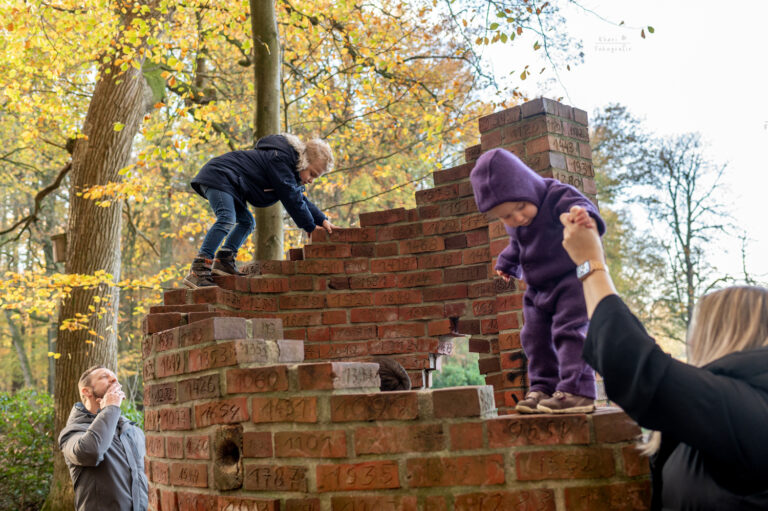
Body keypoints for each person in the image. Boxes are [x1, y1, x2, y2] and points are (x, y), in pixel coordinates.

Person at [560, 205, 768, 510]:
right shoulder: (734, 407)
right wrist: (588, 264)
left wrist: (592, 264)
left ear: (716, 332)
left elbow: (635, 365)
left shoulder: (751, 410)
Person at [470, 148, 606, 413]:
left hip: (571, 281)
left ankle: (577, 390)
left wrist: (583, 218)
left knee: (569, 331)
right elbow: (519, 244)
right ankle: (542, 388)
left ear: (528, 186)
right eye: (507, 216)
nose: (518, 218)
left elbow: (584, 209)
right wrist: (508, 263)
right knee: (533, 337)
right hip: (537, 289)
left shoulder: (556, 195)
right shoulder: (517, 222)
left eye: (520, 207)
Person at [185, 133, 338, 288]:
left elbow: (299, 198)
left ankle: (224, 261)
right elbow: (293, 199)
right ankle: (198, 269)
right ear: (304, 162)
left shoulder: (287, 173)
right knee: (227, 218)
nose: (311, 180)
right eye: (312, 173)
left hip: (232, 184)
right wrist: (310, 227)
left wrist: (322, 220)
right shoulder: (280, 160)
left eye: (315, 177)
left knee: (247, 223)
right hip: (219, 176)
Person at [58, 365, 148, 511]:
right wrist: (110, 408)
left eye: (115, 378)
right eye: (104, 377)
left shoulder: (133, 430)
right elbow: (90, 452)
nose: (114, 379)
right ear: (86, 391)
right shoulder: (73, 432)